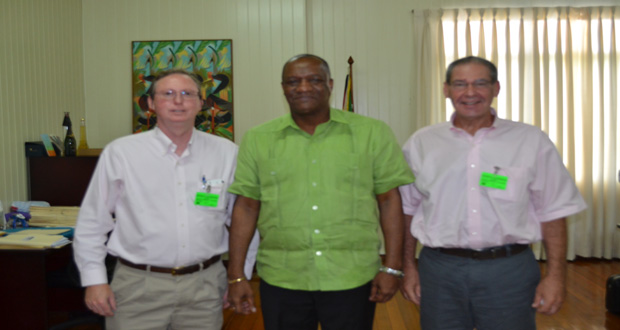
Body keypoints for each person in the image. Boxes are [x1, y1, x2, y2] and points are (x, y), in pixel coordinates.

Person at [225, 54, 416, 330]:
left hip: (351, 277)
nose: (303, 87)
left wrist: (392, 267)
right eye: (293, 81)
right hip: (282, 278)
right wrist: (236, 275)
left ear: (330, 84)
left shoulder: (372, 133)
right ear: (283, 88)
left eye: (313, 80)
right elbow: (246, 207)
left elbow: (389, 201)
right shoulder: (258, 139)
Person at [399, 56, 587, 330]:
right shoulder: (422, 143)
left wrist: (556, 276)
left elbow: (553, 210)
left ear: (496, 88)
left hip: (509, 270)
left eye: (481, 83)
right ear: (446, 90)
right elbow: (406, 209)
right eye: (460, 84)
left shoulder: (530, 140)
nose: (470, 92)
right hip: (440, 271)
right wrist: (408, 268)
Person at [74, 69, 256, 329]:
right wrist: (94, 280)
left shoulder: (227, 154)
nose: (178, 101)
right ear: (151, 103)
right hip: (137, 287)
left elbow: (244, 220)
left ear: (201, 103)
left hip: (205, 287)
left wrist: (240, 276)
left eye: (187, 94)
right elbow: (93, 222)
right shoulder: (121, 153)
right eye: (167, 94)